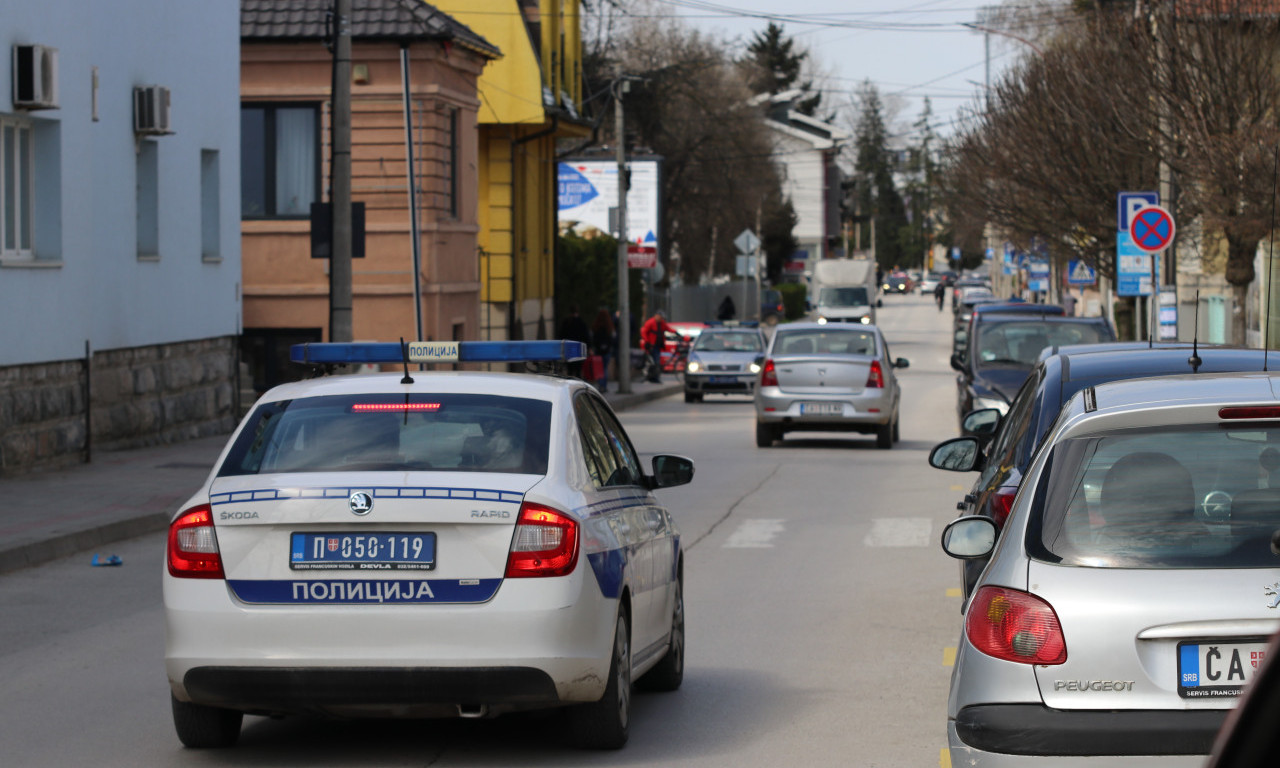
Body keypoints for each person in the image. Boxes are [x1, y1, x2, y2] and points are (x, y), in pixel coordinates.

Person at [639, 309, 673, 383]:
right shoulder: (650, 322)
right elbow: (643, 331)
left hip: (657, 345)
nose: (662, 319)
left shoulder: (661, 323)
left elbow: (668, 329)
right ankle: (653, 377)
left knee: (655, 362)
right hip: (652, 345)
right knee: (654, 362)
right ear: (656, 316)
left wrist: (677, 333)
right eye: (661, 317)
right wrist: (647, 341)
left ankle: (653, 377)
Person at [558, 304, 591, 378]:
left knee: (570, 370)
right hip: (578, 349)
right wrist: (589, 347)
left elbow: (561, 335)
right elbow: (586, 336)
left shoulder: (567, 322)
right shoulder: (581, 322)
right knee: (578, 370)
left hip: (568, 348)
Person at [591, 308, 615, 392]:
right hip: (607, 351)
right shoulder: (609, 326)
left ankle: (600, 384)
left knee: (599, 368)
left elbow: (594, 338)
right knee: (604, 368)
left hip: (598, 351)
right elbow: (612, 339)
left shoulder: (596, 326)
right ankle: (604, 385)